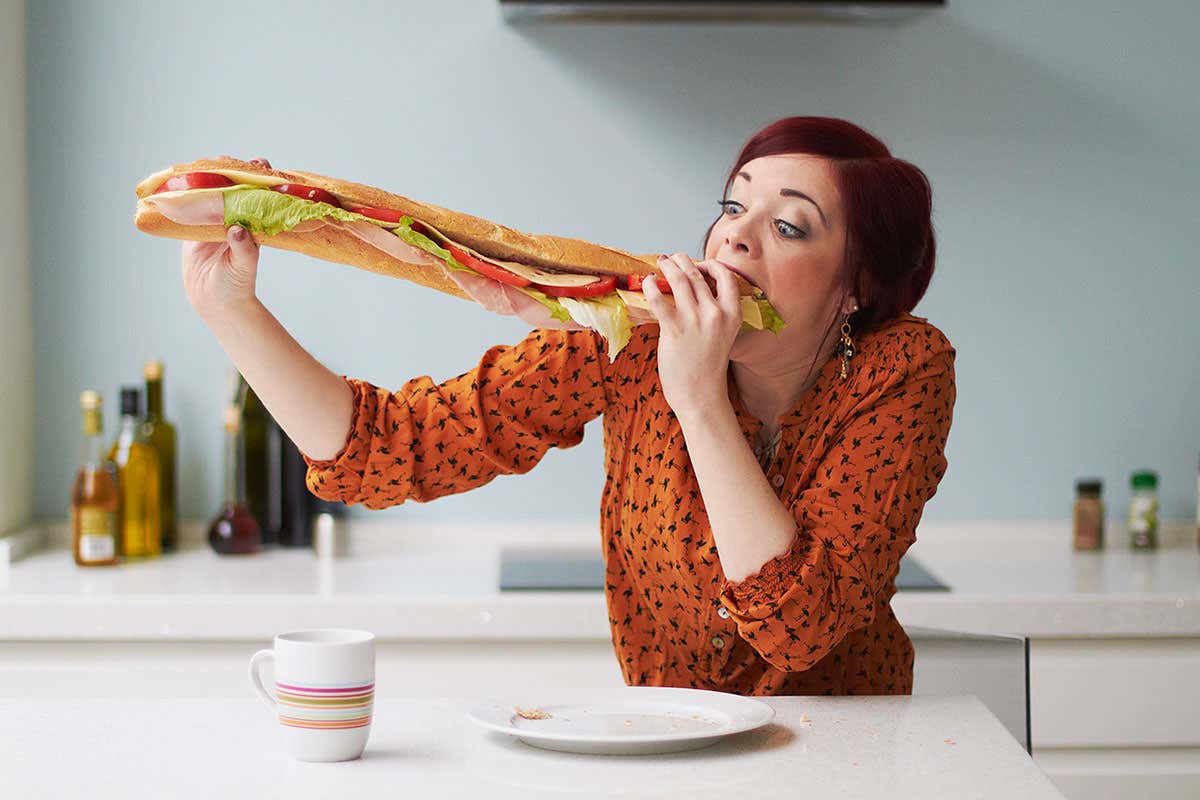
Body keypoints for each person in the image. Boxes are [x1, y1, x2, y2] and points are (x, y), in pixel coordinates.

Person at [182, 117, 955, 695]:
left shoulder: (903, 371)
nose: (734, 240)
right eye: (732, 206)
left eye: (787, 225)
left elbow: (798, 625)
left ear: (853, 288)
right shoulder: (628, 333)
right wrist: (231, 313)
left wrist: (698, 400)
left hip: (854, 760)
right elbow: (388, 448)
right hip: (671, 754)